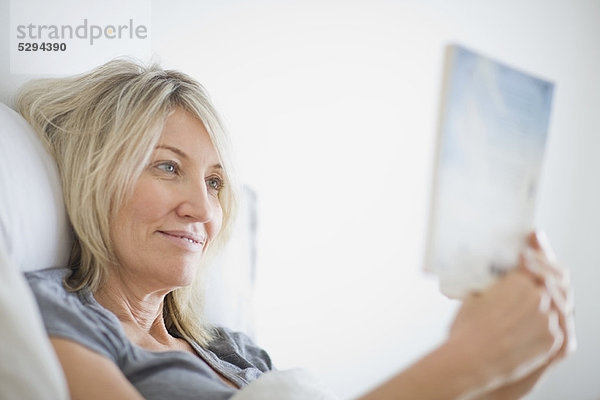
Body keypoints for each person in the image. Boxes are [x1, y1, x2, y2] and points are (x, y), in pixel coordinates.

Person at [18, 59, 575, 400]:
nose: (202, 209)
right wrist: (467, 360)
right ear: (96, 174)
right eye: (168, 167)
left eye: (215, 183)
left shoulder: (232, 351)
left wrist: (511, 369)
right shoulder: (54, 312)